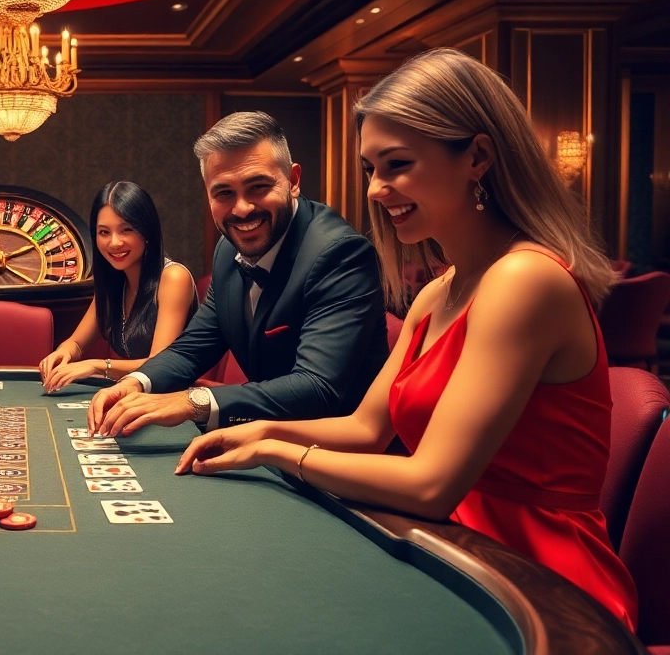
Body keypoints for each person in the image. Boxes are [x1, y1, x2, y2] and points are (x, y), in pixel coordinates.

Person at [175, 49, 637, 628]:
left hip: (539, 594)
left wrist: (274, 452)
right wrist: (258, 427)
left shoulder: (525, 279)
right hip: (449, 549)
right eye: (371, 168)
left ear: (478, 156)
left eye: (396, 164)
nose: (374, 189)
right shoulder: (435, 292)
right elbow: (366, 430)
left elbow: (431, 484)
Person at [88, 111, 388, 436]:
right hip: (264, 443)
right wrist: (136, 383)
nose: (242, 209)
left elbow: (317, 388)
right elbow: (194, 347)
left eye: (258, 187)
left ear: (294, 180)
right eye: (224, 193)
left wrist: (193, 402)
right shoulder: (227, 249)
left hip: (332, 459)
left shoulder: (340, 253)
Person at [39, 182, 198, 392]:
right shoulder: (113, 281)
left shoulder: (174, 277)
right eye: (104, 232)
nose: (114, 243)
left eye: (126, 230)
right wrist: (63, 352)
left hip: (174, 404)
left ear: (147, 232)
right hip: (136, 398)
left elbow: (160, 366)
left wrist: (96, 365)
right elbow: (76, 343)